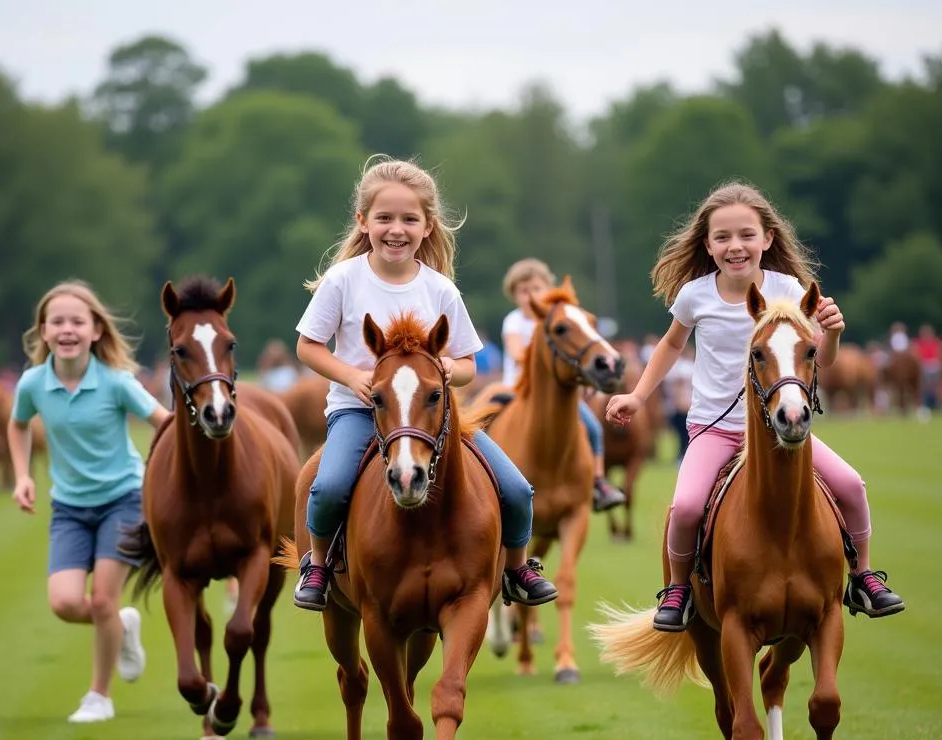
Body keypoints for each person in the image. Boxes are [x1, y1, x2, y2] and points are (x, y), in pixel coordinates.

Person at [606, 181, 905, 631]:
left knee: (851, 484)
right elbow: (670, 346)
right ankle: (678, 590)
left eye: (746, 234)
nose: (735, 246)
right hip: (713, 429)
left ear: (767, 238)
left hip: (781, 428)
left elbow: (820, 358)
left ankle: (862, 577)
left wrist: (835, 332)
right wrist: (638, 395)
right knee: (685, 507)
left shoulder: (790, 290)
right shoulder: (695, 295)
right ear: (707, 245)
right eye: (722, 237)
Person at [291, 156, 558, 612]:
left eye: (409, 219)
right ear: (363, 221)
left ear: (428, 226)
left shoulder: (440, 289)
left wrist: (452, 370)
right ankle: (317, 565)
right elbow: (308, 347)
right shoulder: (343, 280)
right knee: (328, 485)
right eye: (385, 218)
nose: (397, 229)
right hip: (361, 409)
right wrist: (353, 376)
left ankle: (515, 568)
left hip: (432, 415)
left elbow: (469, 362)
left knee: (516, 489)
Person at [7, 280, 170, 723]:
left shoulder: (116, 383)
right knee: (63, 603)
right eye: (56, 322)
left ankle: (99, 696)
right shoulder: (33, 384)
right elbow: (17, 425)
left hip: (124, 500)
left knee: (101, 601)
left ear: (96, 329)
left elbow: (164, 422)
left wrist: (166, 475)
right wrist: (23, 476)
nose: (67, 329)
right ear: (43, 332)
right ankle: (123, 623)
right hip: (69, 510)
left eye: (77, 321)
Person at [499, 258, 625, 512]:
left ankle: (598, 482)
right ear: (514, 295)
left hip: (555, 394)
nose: (531, 295)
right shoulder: (513, 321)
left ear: (548, 288)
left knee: (592, 427)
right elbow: (516, 353)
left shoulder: (562, 320)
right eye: (523, 291)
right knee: (484, 417)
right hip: (516, 390)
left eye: (536, 288)